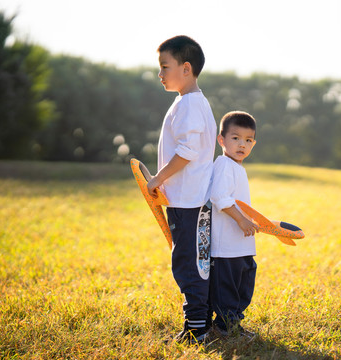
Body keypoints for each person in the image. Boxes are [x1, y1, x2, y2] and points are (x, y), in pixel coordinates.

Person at [146, 35, 217, 344]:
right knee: (196, 260)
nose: (160, 74)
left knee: (188, 262)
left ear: (186, 68)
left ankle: (196, 327)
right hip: (193, 198)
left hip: (188, 201)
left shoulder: (188, 104)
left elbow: (188, 152)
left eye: (165, 67)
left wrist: (158, 179)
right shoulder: (190, 101)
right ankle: (203, 320)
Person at [209, 111, 260, 338]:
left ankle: (233, 324)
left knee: (244, 284)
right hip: (226, 246)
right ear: (222, 140)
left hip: (241, 244)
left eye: (248, 140)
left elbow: (240, 203)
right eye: (236, 138)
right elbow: (219, 197)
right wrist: (240, 219)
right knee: (227, 288)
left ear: (253, 144)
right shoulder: (223, 165)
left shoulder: (238, 167)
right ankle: (224, 327)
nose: (242, 144)